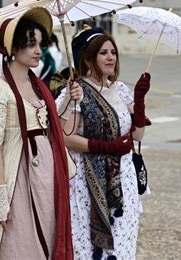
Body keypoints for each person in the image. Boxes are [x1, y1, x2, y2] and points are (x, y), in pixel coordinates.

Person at [0, 7, 78, 259]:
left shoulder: (38, 85)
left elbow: (54, 126)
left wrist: (70, 99)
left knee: (46, 233)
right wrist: (0, 197)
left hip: (45, 174)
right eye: (30, 44)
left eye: (39, 44)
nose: (38, 50)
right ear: (12, 48)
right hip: (16, 174)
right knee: (18, 242)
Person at [57, 27, 150, 259]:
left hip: (122, 178)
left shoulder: (121, 90)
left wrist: (139, 101)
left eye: (113, 52)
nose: (111, 57)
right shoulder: (77, 91)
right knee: (86, 247)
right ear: (88, 58)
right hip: (87, 179)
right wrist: (107, 147)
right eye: (103, 53)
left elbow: (138, 136)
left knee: (123, 242)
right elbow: (67, 138)